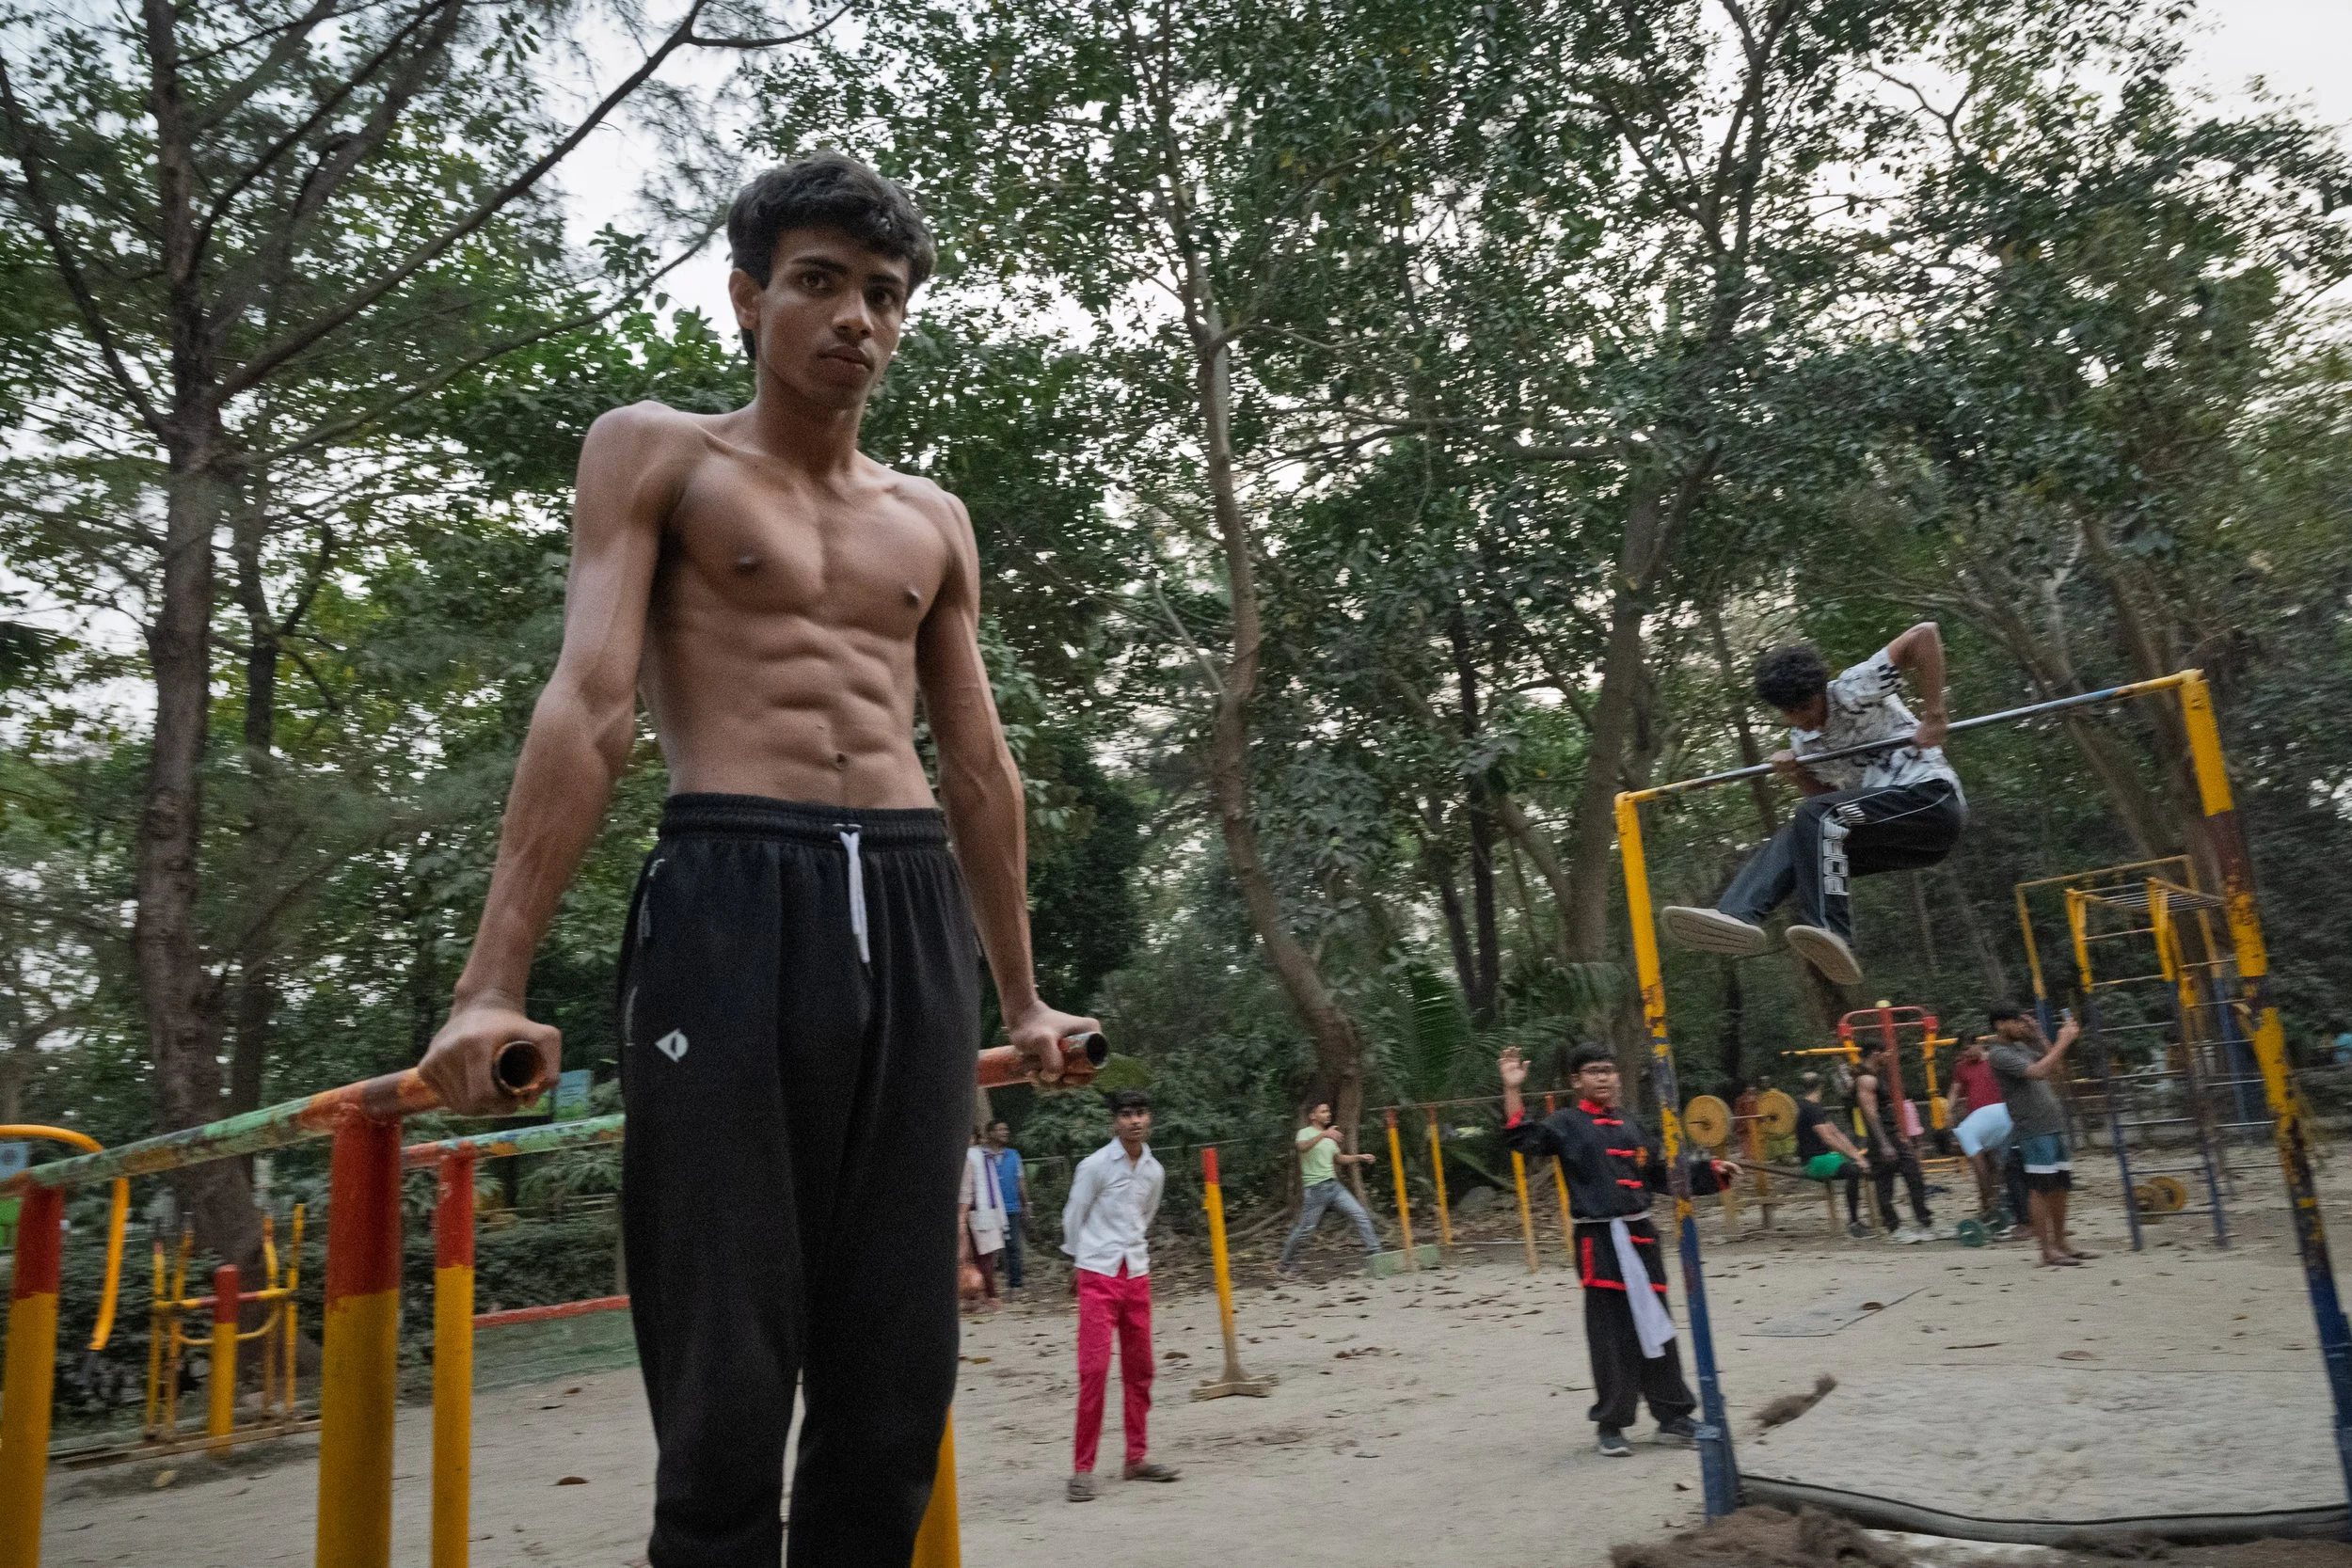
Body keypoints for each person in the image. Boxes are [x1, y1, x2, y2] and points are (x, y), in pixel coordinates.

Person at [416, 154, 1102, 1567]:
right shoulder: (657, 451)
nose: (856, 316)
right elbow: (590, 703)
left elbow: (977, 765)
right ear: (747, 296)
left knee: (899, 1355)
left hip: (910, 903)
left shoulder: (932, 517)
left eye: (884, 294)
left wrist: (1022, 996)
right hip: (735, 882)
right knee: (729, 1341)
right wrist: (494, 982)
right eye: (820, 282)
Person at [1660, 624, 1963, 986]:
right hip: (1903, 839)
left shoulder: (1853, 687)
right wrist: (1798, 776)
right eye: (1792, 712)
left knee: (1814, 818)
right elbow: (1826, 813)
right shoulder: (1803, 743)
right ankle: (1738, 914)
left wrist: (1935, 714)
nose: (1803, 717)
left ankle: (1831, 930)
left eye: (1807, 705)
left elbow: (1924, 635)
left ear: (1820, 690)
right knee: (1799, 835)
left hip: (1929, 800)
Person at [1500, 1045, 1737, 1459]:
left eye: (1609, 1070)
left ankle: (1672, 1416)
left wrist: (1710, 1174)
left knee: (1658, 1325)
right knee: (1610, 1333)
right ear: (1577, 1081)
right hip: (1600, 1240)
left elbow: (1657, 1174)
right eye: (1593, 1072)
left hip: (1641, 1236)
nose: (1604, 1078)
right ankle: (1611, 1424)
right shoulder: (1567, 1123)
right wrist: (1512, 1089)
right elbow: (1524, 1138)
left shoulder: (1631, 1123)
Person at [1061, 1089, 1180, 1499]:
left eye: (1141, 1113)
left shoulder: (1154, 1170)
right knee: (1093, 1371)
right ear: (1115, 1121)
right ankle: (1082, 1468)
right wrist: (1079, 1261)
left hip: (1137, 1274)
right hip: (1098, 1273)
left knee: (1141, 1368)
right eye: (1127, 1115)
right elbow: (1074, 1214)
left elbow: (1144, 1218)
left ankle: (1136, 1457)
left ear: (1150, 1119)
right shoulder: (1095, 1166)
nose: (1134, 1121)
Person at [1986, 1005, 2090, 1266]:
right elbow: (2039, 1071)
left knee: (2060, 1185)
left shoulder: (2021, 1046)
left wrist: (2039, 1035)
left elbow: (2055, 1066)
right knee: (2041, 1188)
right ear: (1999, 1025)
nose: (2022, 1026)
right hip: (2033, 1127)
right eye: (2017, 1022)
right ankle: (2047, 1250)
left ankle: (2061, 1243)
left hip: (2052, 1123)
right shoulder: (1998, 1053)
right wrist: (2063, 1040)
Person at [1277, 1099, 1382, 1273]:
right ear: (1313, 1115)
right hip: (1315, 1190)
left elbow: (1338, 1159)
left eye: (1328, 1111)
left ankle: (1376, 1254)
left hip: (1334, 1186)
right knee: (1305, 1230)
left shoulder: (1330, 1137)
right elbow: (1302, 1148)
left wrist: (1360, 1157)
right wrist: (1324, 1135)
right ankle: (1284, 1265)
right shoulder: (1305, 1133)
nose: (1328, 1114)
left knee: (1360, 1214)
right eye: (1323, 1111)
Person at [1852, 1040, 1935, 1243]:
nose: (1887, 1056)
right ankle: (1894, 1228)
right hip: (1881, 1137)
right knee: (1885, 1183)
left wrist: (1896, 1135)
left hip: (1891, 1134)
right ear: (1874, 1053)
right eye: (1884, 1053)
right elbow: (1870, 1114)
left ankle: (1925, 1222)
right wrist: (1884, 1144)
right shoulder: (1866, 1080)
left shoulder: (1877, 1077)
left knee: (1913, 1173)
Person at [1791, 1071, 1871, 1238]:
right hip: (1814, 1162)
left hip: (1824, 1158)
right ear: (1821, 1087)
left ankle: (1863, 1219)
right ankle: (1853, 1222)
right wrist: (1854, 1157)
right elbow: (1827, 1138)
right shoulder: (1809, 1109)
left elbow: (1837, 1133)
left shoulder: (1815, 1107)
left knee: (1860, 1166)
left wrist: (1856, 1155)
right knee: (1853, 1171)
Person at [1944, 1034, 2010, 1224]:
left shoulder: (1995, 1061)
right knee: (1984, 1165)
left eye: (1966, 1049)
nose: (1964, 1054)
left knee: (1999, 1164)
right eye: (1962, 1051)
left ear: (1976, 1045)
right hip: (1977, 1120)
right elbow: (1955, 1089)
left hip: (2001, 1117)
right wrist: (1948, 1110)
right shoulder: (1962, 1067)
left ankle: (1996, 1203)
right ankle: (1987, 1205)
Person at [959, 1129, 1008, 1310]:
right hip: (991, 1212)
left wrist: (961, 1217)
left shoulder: (969, 1157)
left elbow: (966, 1190)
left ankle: (983, 1297)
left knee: (975, 1258)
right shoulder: (984, 1155)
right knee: (985, 1258)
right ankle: (988, 1297)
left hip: (975, 1212)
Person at [988, 1118, 1030, 1290]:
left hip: (1011, 1207)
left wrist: (1026, 1203)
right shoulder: (983, 1155)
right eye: (1000, 1129)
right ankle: (989, 1288)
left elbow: (1020, 1180)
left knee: (1013, 1247)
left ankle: (1016, 1284)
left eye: (1006, 1129)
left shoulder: (1013, 1155)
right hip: (989, 1209)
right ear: (990, 1133)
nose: (1005, 1132)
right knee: (988, 1250)